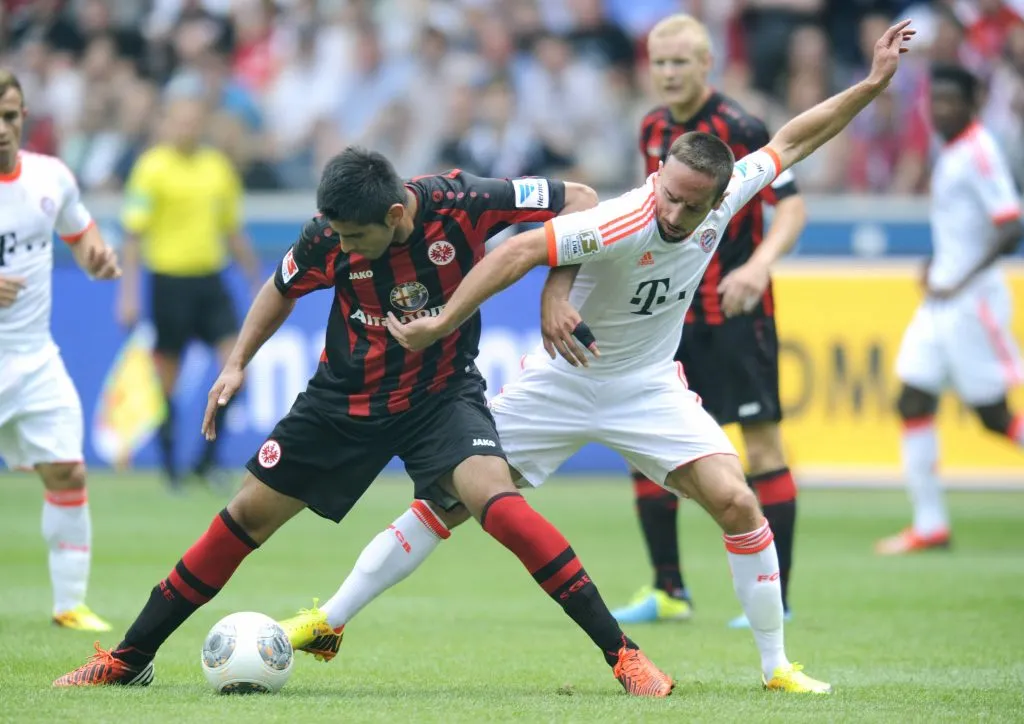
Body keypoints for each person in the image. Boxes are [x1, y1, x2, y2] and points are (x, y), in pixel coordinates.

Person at [284, 19, 917, 696]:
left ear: (719, 196)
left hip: (646, 387)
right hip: (561, 382)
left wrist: (872, 83)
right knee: (447, 500)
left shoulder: (728, 193)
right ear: (657, 175)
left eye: (690, 205)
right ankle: (330, 620)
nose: (673, 212)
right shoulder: (624, 219)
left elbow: (793, 139)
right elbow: (523, 249)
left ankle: (777, 668)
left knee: (737, 500)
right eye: (668, 194)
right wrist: (446, 319)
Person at [53, 150, 675, 697]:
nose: (344, 249)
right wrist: (237, 362)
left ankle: (623, 655)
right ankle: (129, 658)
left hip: (440, 396)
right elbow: (280, 288)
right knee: (243, 519)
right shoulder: (326, 235)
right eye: (339, 236)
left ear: (396, 215)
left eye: (356, 238)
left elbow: (582, 200)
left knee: (499, 503)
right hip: (343, 402)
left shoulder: (464, 201)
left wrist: (556, 292)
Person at [611, 14, 807, 628]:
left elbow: (792, 207)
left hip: (737, 312)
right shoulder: (652, 126)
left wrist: (759, 267)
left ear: (706, 64)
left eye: (680, 62)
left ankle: (777, 598)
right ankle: (669, 589)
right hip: (669, 315)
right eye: (659, 62)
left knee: (761, 444)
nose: (668, 73)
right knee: (642, 441)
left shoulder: (740, 127)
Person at [877, 63, 1024, 555]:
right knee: (911, 399)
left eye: (950, 101)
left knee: (993, 416)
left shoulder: (980, 152)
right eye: (934, 101)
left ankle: (931, 524)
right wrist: (939, 265)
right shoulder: (952, 150)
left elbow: (1011, 225)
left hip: (971, 303)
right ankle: (930, 525)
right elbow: (965, 228)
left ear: (973, 104)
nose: (939, 110)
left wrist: (960, 277)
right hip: (941, 300)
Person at [0, 69, 122, 631]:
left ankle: (69, 605)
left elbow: (81, 232)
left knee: (68, 473)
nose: (2, 128)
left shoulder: (50, 176)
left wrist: (97, 257)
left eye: (9, 116)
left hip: (34, 358)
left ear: (23, 116)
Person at [118, 96, 261, 492]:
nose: (187, 128)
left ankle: (206, 462)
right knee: (168, 378)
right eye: (180, 121)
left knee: (237, 368)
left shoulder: (217, 168)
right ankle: (170, 468)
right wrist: (127, 295)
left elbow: (233, 229)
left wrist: (257, 281)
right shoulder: (151, 168)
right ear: (167, 124)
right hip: (169, 282)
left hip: (210, 281)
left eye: (193, 121)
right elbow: (133, 234)